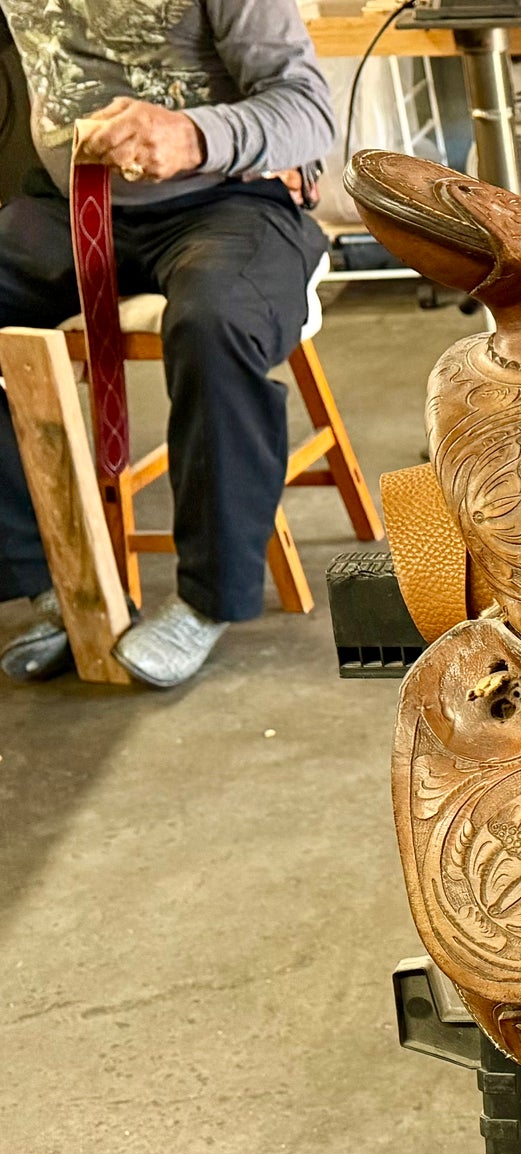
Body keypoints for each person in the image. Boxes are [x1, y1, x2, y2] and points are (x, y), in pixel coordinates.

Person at [0, 0, 335, 688]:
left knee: (214, 321)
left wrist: (192, 134)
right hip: (65, 202)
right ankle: (54, 580)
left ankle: (205, 602)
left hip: (228, 199)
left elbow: (310, 110)